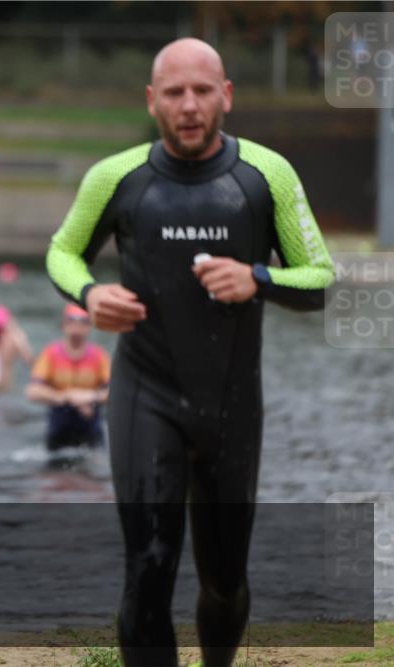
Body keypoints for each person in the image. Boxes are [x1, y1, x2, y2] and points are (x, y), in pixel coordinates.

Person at [45, 38, 335, 667]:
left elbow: (320, 277)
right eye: (174, 92)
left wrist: (257, 278)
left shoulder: (266, 176)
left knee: (225, 581)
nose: (189, 105)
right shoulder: (117, 178)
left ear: (226, 95)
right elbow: (61, 252)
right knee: (147, 570)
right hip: (145, 395)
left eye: (203, 90)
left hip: (231, 407)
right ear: (152, 102)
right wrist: (91, 295)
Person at [25, 304, 110, 451]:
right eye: (72, 322)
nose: (76, 328)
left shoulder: (99, 356)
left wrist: (91, 396)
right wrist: (66, 396)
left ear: (89, 327)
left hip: (90, 424)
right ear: (63, 325)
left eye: (83, 323)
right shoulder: (51, 354)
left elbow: (116, 392)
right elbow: (32, 391)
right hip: (59, 426)